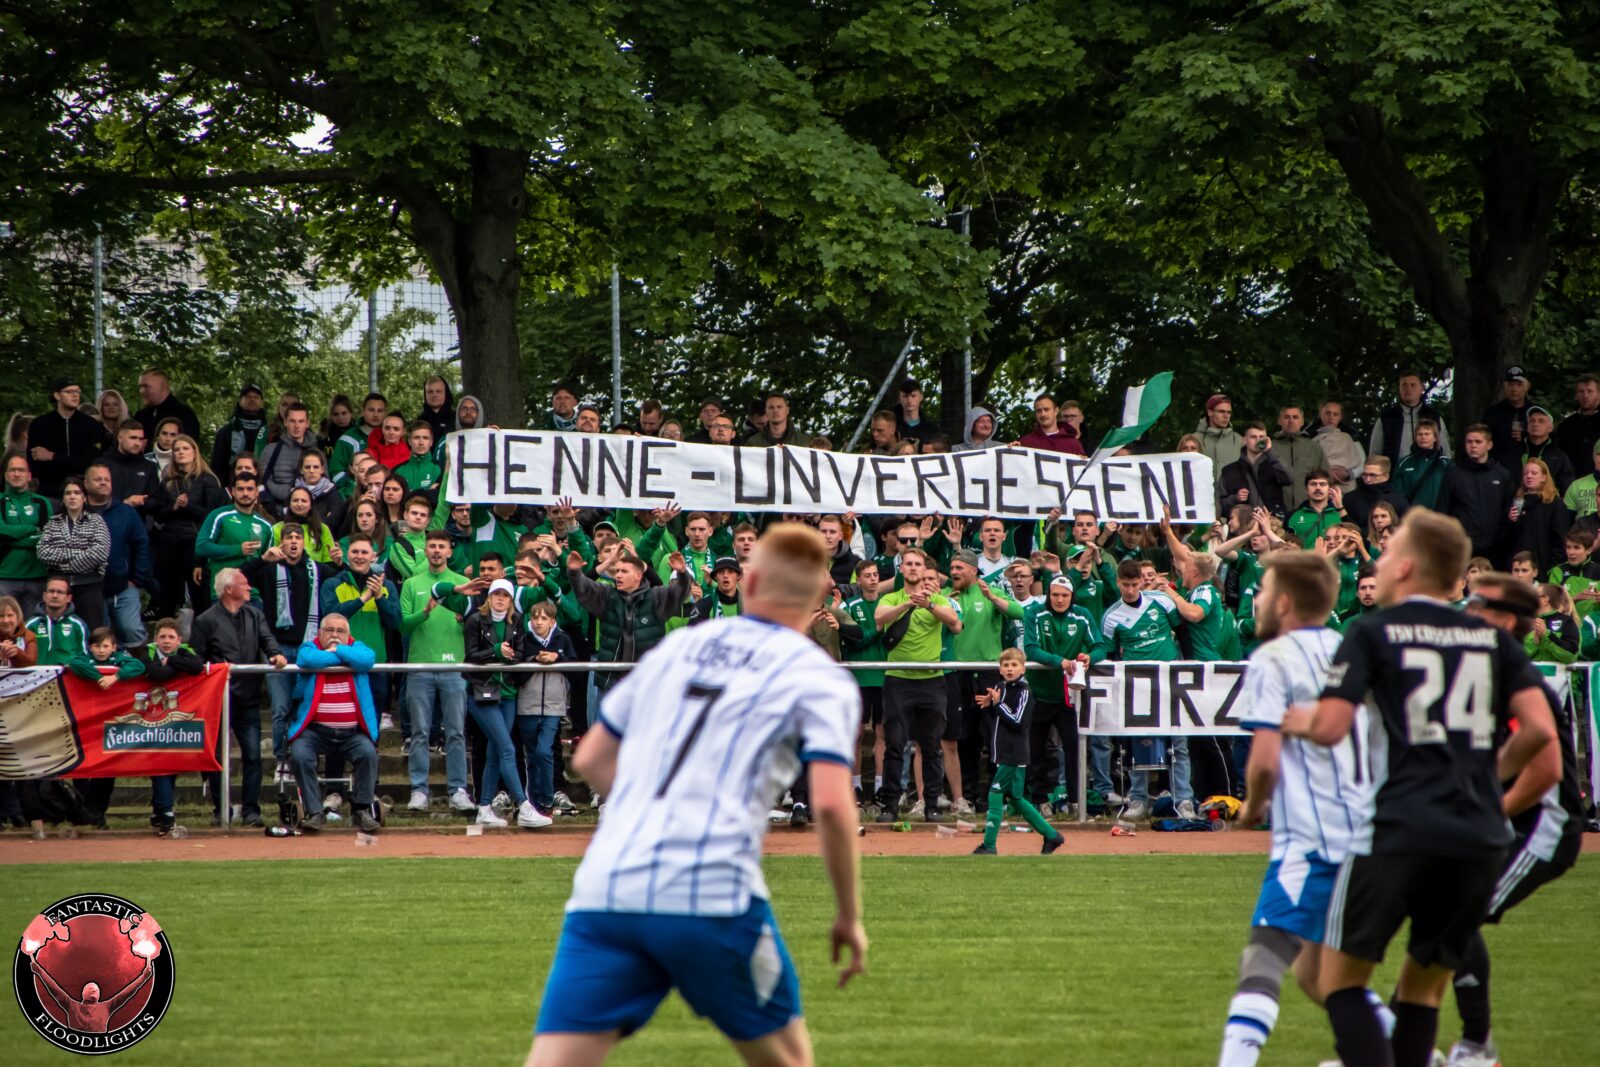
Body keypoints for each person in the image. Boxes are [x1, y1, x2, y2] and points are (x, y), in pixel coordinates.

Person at [526, 524, 865, 1067]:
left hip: (607, 890)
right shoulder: (818, 676)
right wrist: (849, 915)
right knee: (788, 1057)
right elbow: (828, 803)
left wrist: (648, 810)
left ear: (748, 583)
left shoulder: (679, 647)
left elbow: (590, 758)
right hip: (711, 894)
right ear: (823, 592)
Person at [1281, 509, 1559, 1067]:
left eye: (1387, 555)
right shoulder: (1491, 639)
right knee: (1423, 989)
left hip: (1399, 828)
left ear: (1406, 567)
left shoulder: (1372, 630)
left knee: (1336, 981)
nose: (1379, 564)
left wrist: (1296, 720)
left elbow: (1330, 727)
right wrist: (1484, 777)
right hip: (1477, 835)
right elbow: (1539, 731)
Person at [1216, 551, 1368, 1067]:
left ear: (1283, 603)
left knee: (1264, 954)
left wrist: (1252, 807)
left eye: (1262, 592)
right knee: (1320, 977)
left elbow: (1264, 759)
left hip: (1315, 836)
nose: (1256, 600)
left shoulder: (1274, 656)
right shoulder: (1351, 649)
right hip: (1368, 833)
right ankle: (1413, 1054)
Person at [1444, 572, 1585, 1066]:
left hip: (1543, 827)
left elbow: (1544, 770)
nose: (1467, 613)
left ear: (1504, 621)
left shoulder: (1518, 679)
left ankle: (1475, 1047)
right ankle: (1429, 1040)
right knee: (1443, 915)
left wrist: (1486, 806)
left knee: (1453, 919)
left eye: (1478, 606)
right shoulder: (1486, 675)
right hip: (1510, 824)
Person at [192, 567, 289, 826]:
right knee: (216, 757)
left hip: (248, 699)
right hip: (218, 701)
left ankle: (251, 811)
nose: (249, 588)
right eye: (244, 583)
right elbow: (197, 659)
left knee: (253, 756)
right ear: (228, 589)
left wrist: (275, 653)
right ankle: (220, 809)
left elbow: (267, 639)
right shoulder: (205, 620)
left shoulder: (255, 615)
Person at [242, 523, 339, 782]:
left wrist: (340, 563)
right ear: (281, 542)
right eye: (289, 537)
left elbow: (341, 578)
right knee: (281, 708)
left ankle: (306, 761)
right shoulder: (269, 569)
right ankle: (282, 761)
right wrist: (262, 559)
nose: (294, 541)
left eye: (298, 537)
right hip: (278, 649)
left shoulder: (317, 569)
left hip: (309, 649)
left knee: (309, 707)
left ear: (304, 543)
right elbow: (239, 577)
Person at [873, 547, 962, 823]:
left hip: (931, 681)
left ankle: (932, 805)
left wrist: (929, 605)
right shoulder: (891, 597)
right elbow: (879, 618)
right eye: (908, 563)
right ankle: (889, 805)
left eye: (917, 564)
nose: (913, 568)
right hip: (898, 680)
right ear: (901, 569)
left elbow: (955, 624)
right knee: (894, 745)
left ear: (924, 570)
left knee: (932, 746)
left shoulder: (939, 599)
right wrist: (908, 604)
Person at [399, 529, 482, 815]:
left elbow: (476, 623)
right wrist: (424, 612)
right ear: (426, 550)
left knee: (456, 732)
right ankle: (418, 791)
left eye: (441, 546)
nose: (436, 550)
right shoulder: (411, 584)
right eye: (432, 545)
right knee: (420, 733)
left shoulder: (461, 583)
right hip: (420, 667)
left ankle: (458, 790)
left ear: (450, 551)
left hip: (454, 668)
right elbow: (403, 625)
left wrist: (465, 620)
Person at [1101, 558, 1189, 821]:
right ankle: (1138, 799)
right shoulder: (1111, 616)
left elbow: (1181, 630)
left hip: (1170, 680)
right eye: (1125, 585)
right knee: (1137, 742)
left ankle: (1184, 799)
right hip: (1136, 685)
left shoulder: (1161, 601)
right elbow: (1109, 655)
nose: (1130, 590)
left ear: (1141, 581)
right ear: (1118, 582)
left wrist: (1186, 665)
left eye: (1134, 584)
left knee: (1179, 742)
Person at [462, 578, 551, 828]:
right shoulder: (475, 620)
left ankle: (484, 808)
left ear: (511, 600)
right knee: (507, 748)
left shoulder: (517, 621)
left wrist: (509, 656)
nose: (500, 599)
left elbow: (520, 654)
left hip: (508, 693)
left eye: (505, 595)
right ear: (489, 597)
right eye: (496, 594)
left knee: (495, 751)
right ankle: (523, 805)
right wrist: (496, 652)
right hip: (482, 691)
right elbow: (470, 655)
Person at [286, 612, 382, 834]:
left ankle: (361, 810)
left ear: (349, 635)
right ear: (320, 632)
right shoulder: (309, 647)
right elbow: (307, 660)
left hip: (352, 733)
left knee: (368, 753)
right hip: (315, 732)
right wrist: (344, 657)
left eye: (341, 631)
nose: (335, 635)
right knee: (299, 755)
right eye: (330, 630)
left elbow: (367, 659)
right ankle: (315, 812)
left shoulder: (356, 647)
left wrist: (336, 650)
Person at [1022, 575, 1101, 814]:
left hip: (1069, 697)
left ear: (1072, 596)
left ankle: (1076, 801)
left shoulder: (1082, 615)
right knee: (1035, 751)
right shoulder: (1034, 613)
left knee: (1074, 749)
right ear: (1048, 595)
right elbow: (1031, 649)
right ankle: (1040, 800)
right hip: (1039, 694)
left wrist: (1089, 657)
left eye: (1065, 595)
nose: (1059, 600)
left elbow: (1100, 646)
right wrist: (1060, 661)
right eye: (1055, 594)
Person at [138, 617, 204, 835]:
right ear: (155, 639)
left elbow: (197, 666)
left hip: (177, 718)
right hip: (147, 717)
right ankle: (165, 812)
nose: (167, 641)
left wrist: (171, 662)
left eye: (171, 637)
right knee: (160, 762)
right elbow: (157, 674)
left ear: (179, 640)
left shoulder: (185, 651)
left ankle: (160, 811)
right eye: (162, 637)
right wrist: (176, 667)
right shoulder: (146, 652)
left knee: (169, 762)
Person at [84, 461, 155, 646]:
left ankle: (140, 664)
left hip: (123, 587)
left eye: (106, 479)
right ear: (86, 483)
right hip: (88, 589)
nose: (103, 483)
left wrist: (137, 579)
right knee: (99, 638)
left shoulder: (126, 512)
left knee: (132, 631)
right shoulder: (77, 512)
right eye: (98, 479)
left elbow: (142, 545)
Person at [520, 600, 577, 818]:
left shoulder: (563, 638)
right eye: (535, 617)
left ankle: (546, 797)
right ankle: (535, 802)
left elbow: (573, 667)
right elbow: (516, 669)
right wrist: (533, 660)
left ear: (553, 621)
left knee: (544, 751)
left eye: (544, 618)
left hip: (553, 706)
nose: (538, 622)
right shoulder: (524, 639)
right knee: (532, 756)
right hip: (527, 706)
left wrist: (557, 658)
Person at [35, 476, 110, 634]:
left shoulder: (96, 521)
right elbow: (43, 551)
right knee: (58, 631)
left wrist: (66, 564)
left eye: (76, 493)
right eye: (68, 493)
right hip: (59, 586)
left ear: (84, 497)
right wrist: (79, 553)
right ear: (63, 498)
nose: (72, 496)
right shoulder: (53, 522)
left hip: (89, 585)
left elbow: (100, 552)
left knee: (93, 632)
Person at [28, 952, 153, 1034]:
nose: (94, 989)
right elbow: (54, 989)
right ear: (83, 994)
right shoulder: (72, 1006)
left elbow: (127, 993)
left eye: (96, 989)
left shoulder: (106, 1006)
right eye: (90, 988)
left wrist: (143, 977)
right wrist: (39, 971)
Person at [193, 470, 275, 595]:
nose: (245, 493)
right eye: (240, 489)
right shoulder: (219, 515)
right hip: (224, 593)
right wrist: (238, 549)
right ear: (233, 492)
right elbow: (201, 547)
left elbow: (267, 562)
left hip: (253, 595)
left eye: (249, 489)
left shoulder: (265, 525)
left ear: (257, 492)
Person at [1441, 424, 1515, 561]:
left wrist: (1502, 537)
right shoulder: (1454, 475)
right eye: (1469, 442)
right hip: (1463, 547)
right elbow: (1443, 510)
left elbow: (1509, 511)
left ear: (1489, 445)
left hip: (1495, 549)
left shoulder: (1502, 475)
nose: (1473, 445)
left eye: (1478, 442)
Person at [30, 377, 110, 498]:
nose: (75, 395)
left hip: (83, 493)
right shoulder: (40, 424)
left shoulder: (91, 425)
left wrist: (52, 456)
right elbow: (35, 462)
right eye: (69, 392)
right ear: (57, 395)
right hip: (49, 492)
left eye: (77, 391)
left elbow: (90, 463)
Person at [0, 452, 52, 617]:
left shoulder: (42, 502)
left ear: (29, 476)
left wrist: (12, 539)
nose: (16, 474)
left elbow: (47, 537)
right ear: (6, 476)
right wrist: (32, 528)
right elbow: (1, 532)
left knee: (33, 628)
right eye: (12, 470)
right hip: (5, 575)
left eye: (21, 470)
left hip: (37, 576)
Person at [1370, 370, 1450, 466]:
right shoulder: (1387, 418)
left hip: (1428, 472)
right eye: (1404, 385)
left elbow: (1445, 452)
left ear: (1421, 388)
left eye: (1413, 385)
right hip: (1394, 473)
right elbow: (1375, 454)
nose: (1408, 389)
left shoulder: (1433, 417)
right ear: (1399, 388)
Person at [1505, 458, 1571, 574]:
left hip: (1543, 568)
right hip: (1518, 569)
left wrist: (1552, 570)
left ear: (1544, 477)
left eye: (1534, 473)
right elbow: (1507, 540)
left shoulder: (1556, 505)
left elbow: (1561, 542)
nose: (1529, 476)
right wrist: (1511, 522)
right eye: (1526, 473)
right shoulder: (1517, 502)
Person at [1218, 423, 1293, 518]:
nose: (1258, 440)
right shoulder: (1230, 470)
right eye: (1253, 437)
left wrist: (1270, 452)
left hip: (1272, 521)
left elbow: (1289, 479)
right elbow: (1220, 505)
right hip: (1243, 524)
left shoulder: (1274, 465)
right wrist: (1235, 498)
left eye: (1262, 437)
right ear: (1245, 440)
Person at [258, 401, 316, 509]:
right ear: (285, 422)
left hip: (307, 509)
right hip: (275, 509)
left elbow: (324, 485)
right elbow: (263, 481)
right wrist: (289, 493)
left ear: (307, 423)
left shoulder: (317, 453)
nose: (297, 426)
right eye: (292, 421)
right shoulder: (270, 450)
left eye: (301, 421)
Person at [1272, 405, 1328, 512]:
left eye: (1295, 417)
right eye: (1287, 417)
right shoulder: (1271, 447)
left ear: (1302, 421)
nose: (1291, 421)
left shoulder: (1313, 447)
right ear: (1280, 421)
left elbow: (1325, 478)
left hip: (1308, 508)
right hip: (1277, 509)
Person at [100, 419, 160, 516]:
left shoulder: (149, 466)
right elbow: (95, 497)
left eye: (140, 439)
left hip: (138, 520)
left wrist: (142, 502)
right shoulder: (102, 464)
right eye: (133, 438)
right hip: (107, 520)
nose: (137, 443)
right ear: (120, 438)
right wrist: (124, 503)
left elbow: (157, 499)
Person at [1481, 366, 1533, 475]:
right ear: (1504, 387)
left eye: (1519, 385)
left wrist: (1527, 436)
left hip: (1530, 472)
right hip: (1498, 471)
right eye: (1510, 384)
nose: (1514, 389)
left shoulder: (1536, 413)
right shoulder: (1492, 413)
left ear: (1527, 386)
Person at [210, 384, 268, 475]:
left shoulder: (269, 431)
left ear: (261, 403)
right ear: (240, 402)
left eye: (256, 397)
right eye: (248, 397)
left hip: (263, 481)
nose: (252, 399)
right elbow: (216, 464)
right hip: (230, 481)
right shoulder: (226, 431)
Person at [131, 367, 200, 442]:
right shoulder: (141, 415)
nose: (141, 391)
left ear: (162, 386)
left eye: (146, 386)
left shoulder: (183, 414)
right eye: (140, 386)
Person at [1393, 419, 1451, 509]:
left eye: (1427, 434)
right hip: (1412, 515)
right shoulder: (1403, 463)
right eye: (1420, 434)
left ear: (1435, 438)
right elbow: (1397, 494)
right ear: (1415, 438)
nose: (1423, 437)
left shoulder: (1446, 463)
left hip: (1440, 515)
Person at [1313, 401, 1366, 492]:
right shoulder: (1310, 438)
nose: (1331, 417)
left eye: (1335, 414)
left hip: (1346, 486)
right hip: (1319, 483)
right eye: (1328, 413)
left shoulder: (1350, 437)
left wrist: (1348, 474)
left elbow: (1363, 464)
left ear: (1340, 417)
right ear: (1321, 414)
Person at [1553, 373, 1600, 476]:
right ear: (1576, 395)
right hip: (1571, 480)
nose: (1585, 395)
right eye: (1581, 391)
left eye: (1590, 391)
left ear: (1598, 394)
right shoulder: (1566, 425)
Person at [1285, 471, 1345, 548]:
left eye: (1322, 484)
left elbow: (1354, 536)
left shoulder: (1341, 513)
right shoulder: (1292, 515)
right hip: (1302, 556)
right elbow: (1283, 545)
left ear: (1330, 489)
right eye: (1313, 484)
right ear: (1306, 489)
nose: (1318, 488)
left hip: (1335, 556)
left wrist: (1340, 507)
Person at [1018, 394, 1086, 455]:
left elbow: (1083, 465)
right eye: (1039, 411)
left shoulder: (1073, 444)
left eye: (1046, 409)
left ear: (1056, 411)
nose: (1043, 414)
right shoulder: (1026, 443)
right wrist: (1014, 451)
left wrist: (1082, 460)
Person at [1195, 394, 1244, 476]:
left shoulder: (1239, 440)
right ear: (1210, 412)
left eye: (1229, 412)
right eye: (1221, 411)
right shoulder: (1194, 439)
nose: (1226, 416)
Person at [418, 375, 456, 442]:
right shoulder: (420, 421)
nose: (434, 395)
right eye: (430, 392)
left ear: (445, 393)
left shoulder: (456, 419)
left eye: (438, 391)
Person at [893, 378, 928, 443]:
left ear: (921, 397)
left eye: (913, 396)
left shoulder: (930, 428)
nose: (909, 400)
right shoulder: (891, 425)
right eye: (905, 396)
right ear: (900, 398)